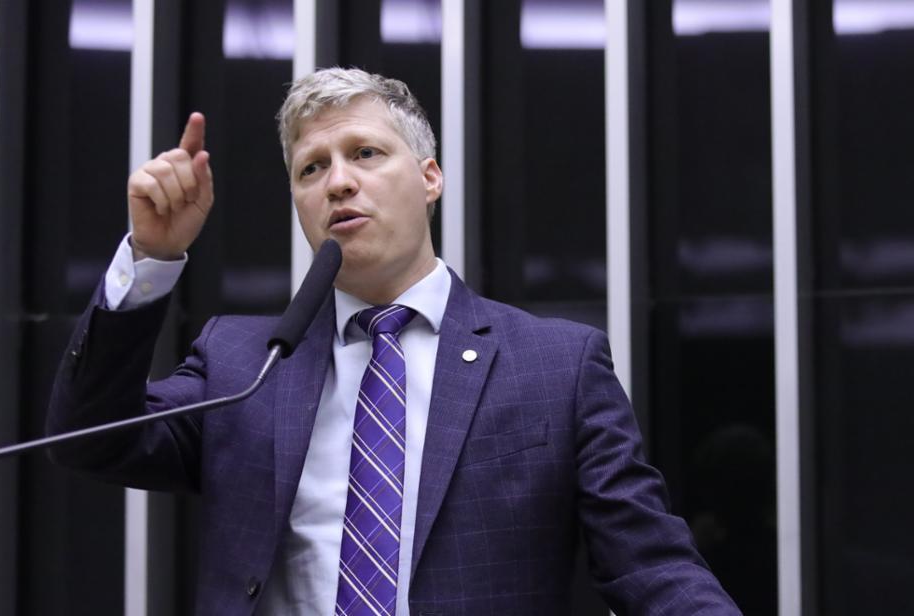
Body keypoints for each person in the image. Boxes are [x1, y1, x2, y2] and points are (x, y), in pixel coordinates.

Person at [47, 68, 741, 616]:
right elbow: (89, 437)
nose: (338, 181)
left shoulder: (555, 366)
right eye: (311, 169)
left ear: (429, 177)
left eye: (365, 153)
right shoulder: (245, 361)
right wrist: (150, 260)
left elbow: (647, 564)